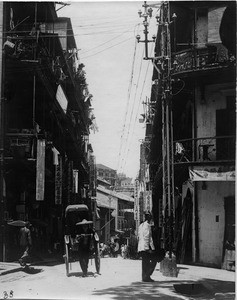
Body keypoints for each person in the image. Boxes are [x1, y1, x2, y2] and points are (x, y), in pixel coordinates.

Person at [137, 211, 157, 282]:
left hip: (141, 247)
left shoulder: (140, 225)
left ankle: (144, 277)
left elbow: (138, 236)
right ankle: (147, 276)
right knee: (153, 260)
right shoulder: (148, 226)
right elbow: (149, 238)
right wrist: (152, 248)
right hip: (146, 247)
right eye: (149, 217)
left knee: (144, 262)